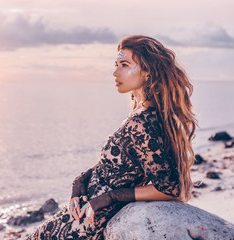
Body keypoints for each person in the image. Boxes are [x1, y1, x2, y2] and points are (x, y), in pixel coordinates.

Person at [27, 35, 197, 240]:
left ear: (148, 72)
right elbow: (117, 164)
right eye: (116, 65)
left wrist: (112, 197)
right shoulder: (141, 113)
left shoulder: (142, 123)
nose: (115, 72)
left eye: (125, 65)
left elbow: (169, 187)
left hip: (88, 224)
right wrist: (80, 181)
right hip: (83, 213)